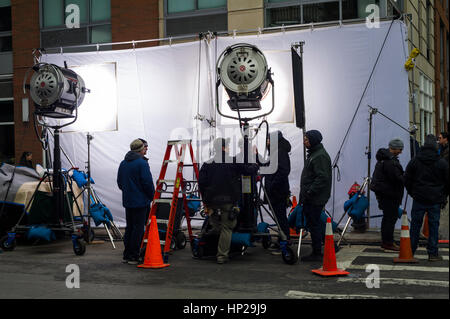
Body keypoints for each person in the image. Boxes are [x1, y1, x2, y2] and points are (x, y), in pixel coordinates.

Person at [198, 137, 256, 264]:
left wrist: (205, 200)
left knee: (215, 225)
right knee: (227, 227)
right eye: (228, 146)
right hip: (227, 201)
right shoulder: (232, 161)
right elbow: (248, 170)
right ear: (224, 147)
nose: (229, 148)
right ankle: (222, 255)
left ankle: (204, 242)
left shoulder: (207, 163)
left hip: (212, 201)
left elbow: (201, 182)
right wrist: (255, 164)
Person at [405, 134, 449, 261]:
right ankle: (433, 253)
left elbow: (407, 178)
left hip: (419, 197)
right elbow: (447, 181)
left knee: (415, 225)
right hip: (435, 198)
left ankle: (410, 250)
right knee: (433, 226)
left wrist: (412, 192)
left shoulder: (415, 161)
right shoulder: (441, 162)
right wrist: (443, 195)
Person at [117, 139, 155, 265]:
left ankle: (127, 254)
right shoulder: (142, 163)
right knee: (138, 229)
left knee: (130, 228)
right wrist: (152, 196)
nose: (146, 149)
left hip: (128, 201)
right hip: (140, 202)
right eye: (145, 147)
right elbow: (147, 183)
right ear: (140, 149)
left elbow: (120, 183)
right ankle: (134, 255)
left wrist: (128, 192)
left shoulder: (123, 163)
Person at [299, 130, 332, 261]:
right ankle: (328, 247)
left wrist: (309, 191)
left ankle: (317, 252)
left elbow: (322, 177)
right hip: (312, 196)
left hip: (315, 197)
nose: (304, 142)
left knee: (314, 224)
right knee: (315, 223)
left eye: (306, 139)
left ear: (313, 140)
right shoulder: (314, 154)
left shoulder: (319, 156)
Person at [370, 138, 405, 251]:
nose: (401, 151)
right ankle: (388, 242)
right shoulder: (390, 162)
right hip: (390, 194)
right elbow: (397, 178)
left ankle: (386, 241)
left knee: (387, 218)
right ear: (393, 148)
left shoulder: (384, 160)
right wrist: (407, 177)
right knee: (390, 219)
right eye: (400, 149)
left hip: (385, 194)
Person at [262, 131, 292, 254]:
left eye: (269, 140)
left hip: (278, 192)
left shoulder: (280, 153)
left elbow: (283, 171)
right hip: (275, 191)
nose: (267, 142)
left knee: (281, 218)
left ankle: (285, 242)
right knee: (279, 218)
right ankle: (282, 240)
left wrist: (273, 185)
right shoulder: (275, 153)